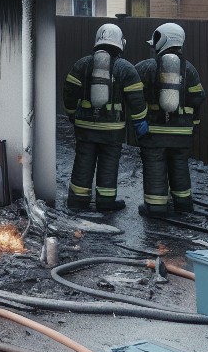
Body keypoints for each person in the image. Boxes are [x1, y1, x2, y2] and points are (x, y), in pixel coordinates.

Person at [62, 23, 147, 211]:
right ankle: (106, 202)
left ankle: (77, 201)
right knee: (109, 163)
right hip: (112, 130)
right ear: (119, 43)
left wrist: (71, 114)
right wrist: (140, 121)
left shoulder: (82, 64)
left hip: (84, 126)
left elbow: (69, 91)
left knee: (83, 160)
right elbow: (136, 99)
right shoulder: (125, 68)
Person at [135, 23, 206, 216]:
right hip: (182, 133)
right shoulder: (189, 70)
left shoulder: (147, 67)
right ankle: (183, 205)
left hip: (154, 133)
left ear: (162, 40)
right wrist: (194, 127)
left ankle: (156, 207)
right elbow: (199, 97)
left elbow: (131, 90)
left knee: (155, 167)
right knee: (180, 166)